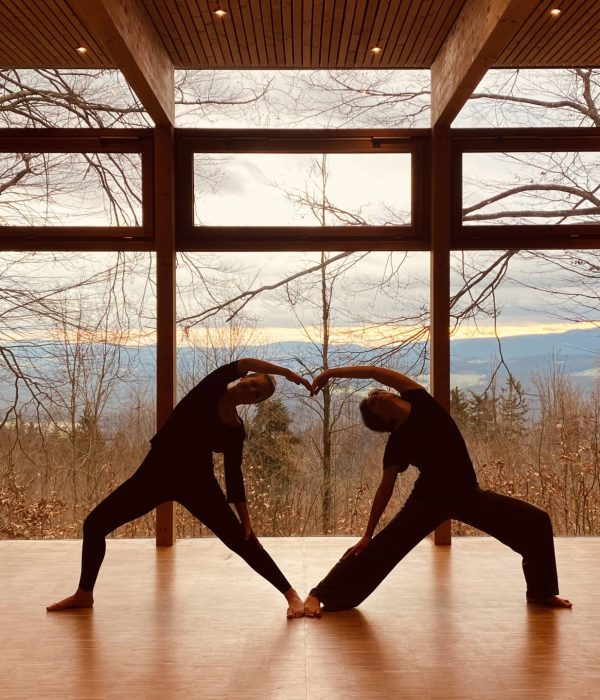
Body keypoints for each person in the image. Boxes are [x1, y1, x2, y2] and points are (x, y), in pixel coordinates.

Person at [47, 358, 312, 618]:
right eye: (254, 383)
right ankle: (84, 594)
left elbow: (233, 475)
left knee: (241, 540)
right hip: (155, 474)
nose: (252, 391)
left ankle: (291, 595)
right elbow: (242, 362)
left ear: (254, 403)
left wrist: (245, 519)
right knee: (94, 524)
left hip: (197, 483)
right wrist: (286, 372)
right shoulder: (210, 389)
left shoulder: (235, 429)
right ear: (244, 378)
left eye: (258, 395)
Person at [304, 365, 572, 617]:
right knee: (380, 550)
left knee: (536, 521)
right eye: (373, 402)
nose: (378, 394)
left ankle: (541, 593)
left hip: (468, 495)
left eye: (377, 394)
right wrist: (367, 534)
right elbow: (385, 489)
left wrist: (330, 373)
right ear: (383, 419)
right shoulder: (398, 442)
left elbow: (374, 372)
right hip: (427, 502)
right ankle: (319, 593)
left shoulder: (420, 398)